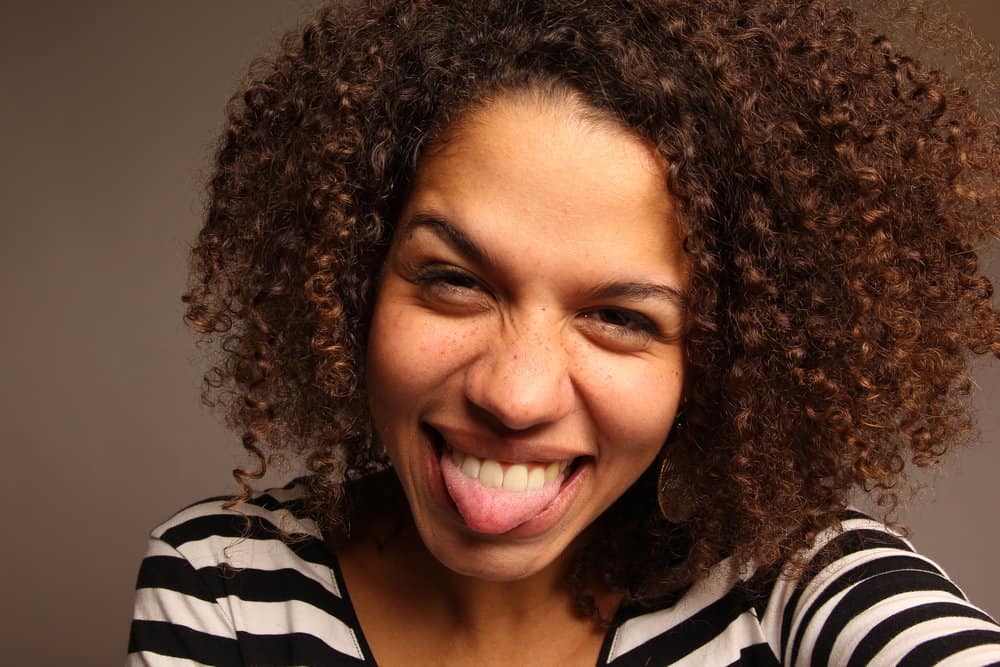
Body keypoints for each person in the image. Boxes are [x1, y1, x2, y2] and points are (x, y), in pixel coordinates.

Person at [129, 0, 1000, 664]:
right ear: (356, 280)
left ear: (720, 358)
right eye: (455, 281)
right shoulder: (225, 584)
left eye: (621, 318)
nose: (515, 394)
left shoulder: (798, 586)